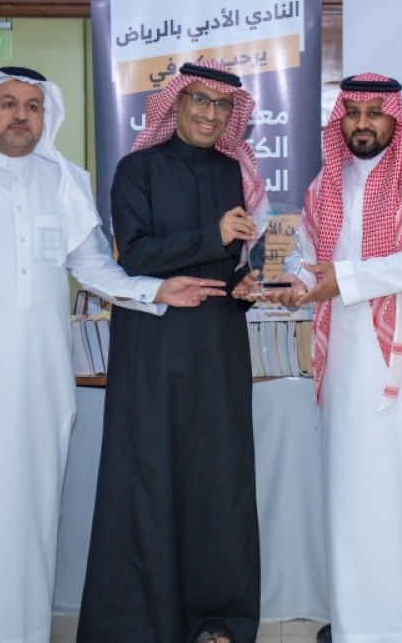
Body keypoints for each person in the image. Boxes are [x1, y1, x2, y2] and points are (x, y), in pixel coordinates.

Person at [0, 66, 225, 643]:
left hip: (40, 380)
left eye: (33, 106)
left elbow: (92, 266)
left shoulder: (64, 181)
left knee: (31, 513)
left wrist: (154, 290)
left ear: (47, 116)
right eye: (8, 104)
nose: (21, 116)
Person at [260, 73, 402, 642]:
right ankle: (359, 624)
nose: (361, 123)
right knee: (353, 494)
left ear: (394, 119)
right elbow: (311, 259)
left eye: (374, 113)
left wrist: (347, 280)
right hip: (348, 363)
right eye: (352, 113)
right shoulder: (324, 185)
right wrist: (293, 286)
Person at [77, 61, 266, 643]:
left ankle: (217, 619)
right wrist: (215, 235)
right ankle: (139, 622)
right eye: (199, 101)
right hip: (153, 347)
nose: (211, 114)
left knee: (218, 480)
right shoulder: (137, 170)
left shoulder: (234, 172)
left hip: (217, 346)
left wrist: (244, 284)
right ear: (176, 105)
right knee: (149, 477)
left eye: (222, 105)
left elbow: (231, 263)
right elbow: (136, 256)